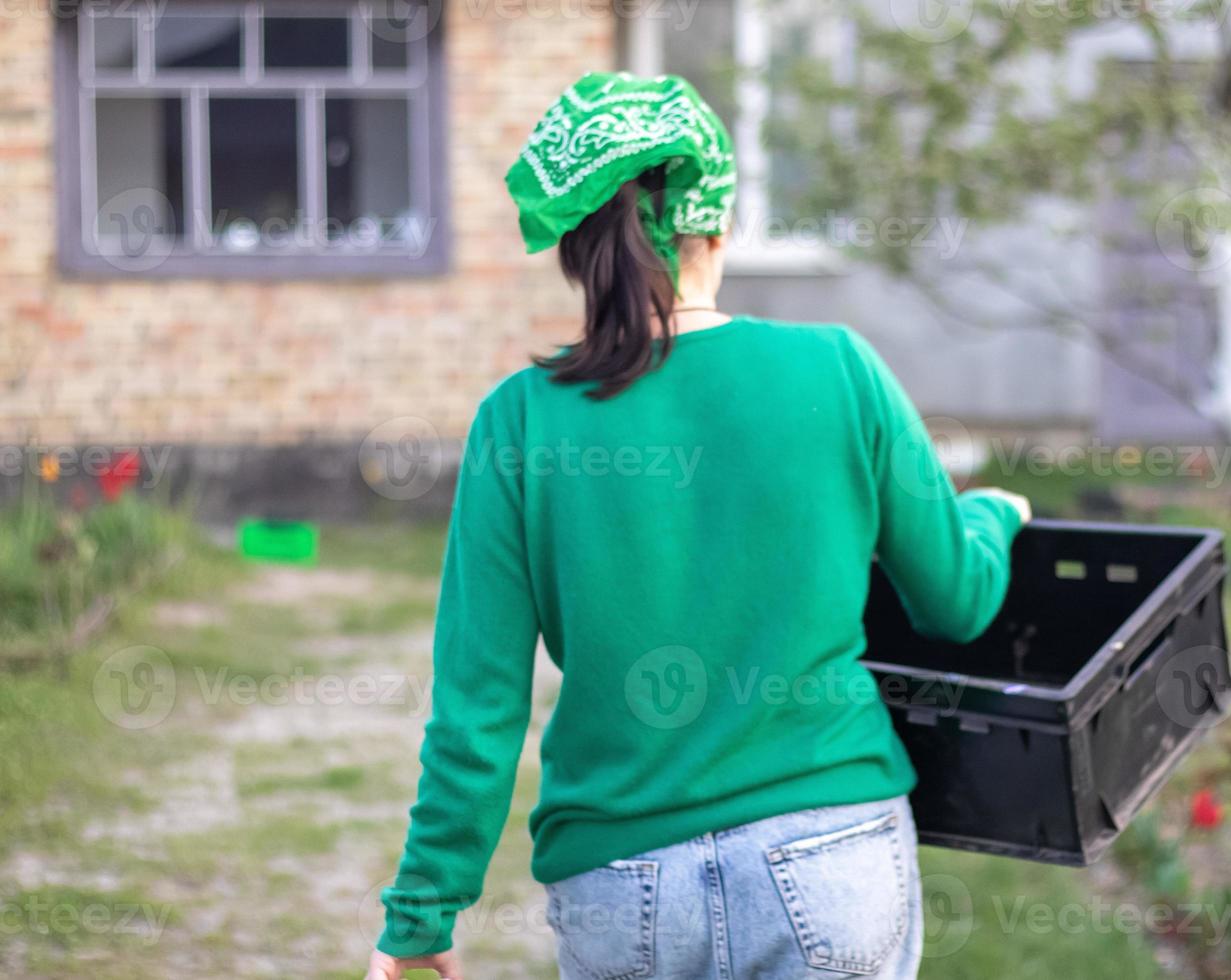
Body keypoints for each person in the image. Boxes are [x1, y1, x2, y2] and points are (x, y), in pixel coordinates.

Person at [366, 72, 1030, 980]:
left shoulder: (517, 421)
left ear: (574, 245)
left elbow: (479, 702)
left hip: (622, 882)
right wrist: (992, 513)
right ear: (716, 220)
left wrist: (423, 913)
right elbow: (955, 599)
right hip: (831, 852)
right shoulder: (837, 369)